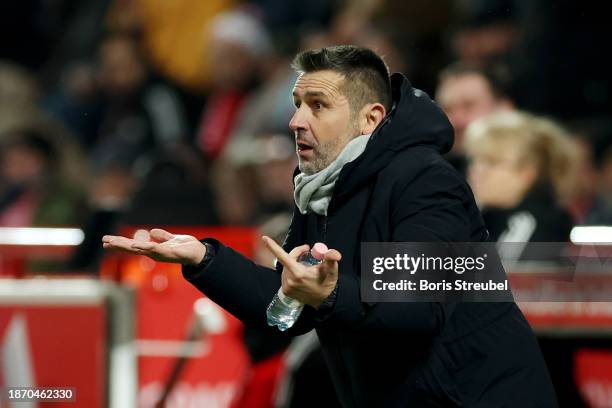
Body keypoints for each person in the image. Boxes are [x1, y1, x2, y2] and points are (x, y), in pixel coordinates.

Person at [103, 45, 557, 407]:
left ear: (370, 118)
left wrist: (329, 294)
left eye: (317, 105)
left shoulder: (425, 179)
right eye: (297, 104)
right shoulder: (322, 192)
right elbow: (285, 309)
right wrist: (205, 258)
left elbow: (419, 306)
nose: (296, 121)